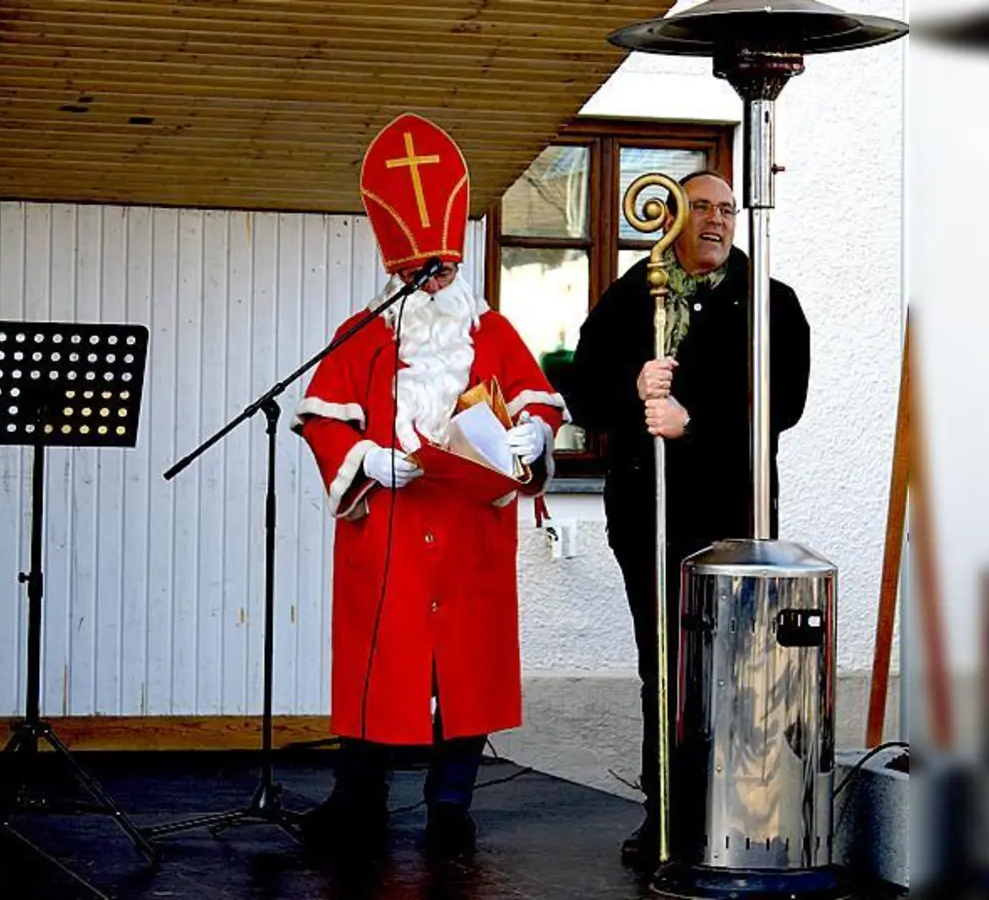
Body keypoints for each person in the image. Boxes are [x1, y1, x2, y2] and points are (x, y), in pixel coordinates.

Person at [292, 113, 566, 856]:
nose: (438, 280)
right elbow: (321, 420)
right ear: (399, 273)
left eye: (446, 268)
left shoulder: (493, 332)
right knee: (380, 662)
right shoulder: (363, 334)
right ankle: (359, 801)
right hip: (386, 535)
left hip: (471, 530)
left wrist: (533, 434)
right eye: (425, 271)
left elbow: (539, 400)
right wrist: (364, 458)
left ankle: (451, 807)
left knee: (465, 671)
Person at [563, 169, 811, 867]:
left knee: (736, 669)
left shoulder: (769, 303)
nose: (717, 220)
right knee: (665, 669)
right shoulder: (632, 297)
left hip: (734, 517)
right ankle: (664, 813)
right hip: (649, 517)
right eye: (701, 206)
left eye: (727, 209)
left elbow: (782, 405)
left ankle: (733, 816)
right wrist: (631, 389)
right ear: (672, 215)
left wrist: (690, 422)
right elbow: (581, 391)